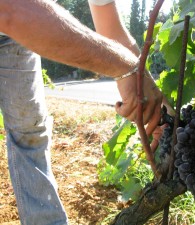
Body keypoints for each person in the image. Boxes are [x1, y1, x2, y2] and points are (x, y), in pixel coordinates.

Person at [0, 0, 163, 224]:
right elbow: (10, 10)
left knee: (30, 130)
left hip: (12, 33)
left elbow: (112, 30)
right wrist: (125, 67)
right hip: (12, 11)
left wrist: (158, 106)